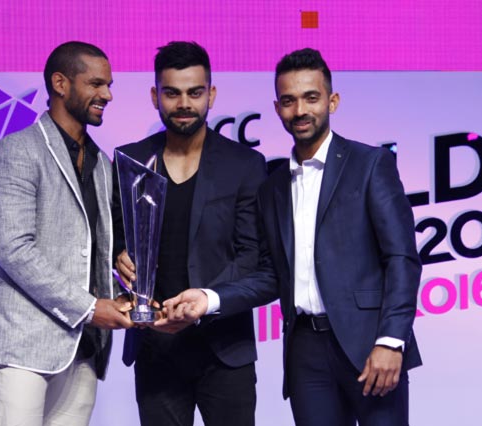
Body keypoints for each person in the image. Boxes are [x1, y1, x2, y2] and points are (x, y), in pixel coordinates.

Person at [161, 48, 422, 426]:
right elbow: (271, 277)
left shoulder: (371, 165)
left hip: (370, 345)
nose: (300, 110)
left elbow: (402, 258)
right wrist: (209, 298)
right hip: (305, 353)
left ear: (332, 100)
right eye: (289, 100)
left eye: (311, 97)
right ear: (277, 107)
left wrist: (391, 341)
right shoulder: (273, 186)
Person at [0, 41, 134, 426]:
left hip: (85, 346)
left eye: (109, 85)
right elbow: (14, 250)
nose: (107, 95)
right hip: (23, 340)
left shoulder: (102, 164)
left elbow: (91, 246)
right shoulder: (19, 150)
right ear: (60, 83)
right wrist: (91, 307)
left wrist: (122, 268)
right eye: (96, 84)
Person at [112, 41, 267, 426]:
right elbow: (111, 238)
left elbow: (251, 257)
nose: (184, 103)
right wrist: (117, 257)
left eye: (195, 92)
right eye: (172, 93)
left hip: (225, 347)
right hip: (155, 347)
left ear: (211, 94)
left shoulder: (244, 165)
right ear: (155, 96)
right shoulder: (129, 161)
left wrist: (202, 303)